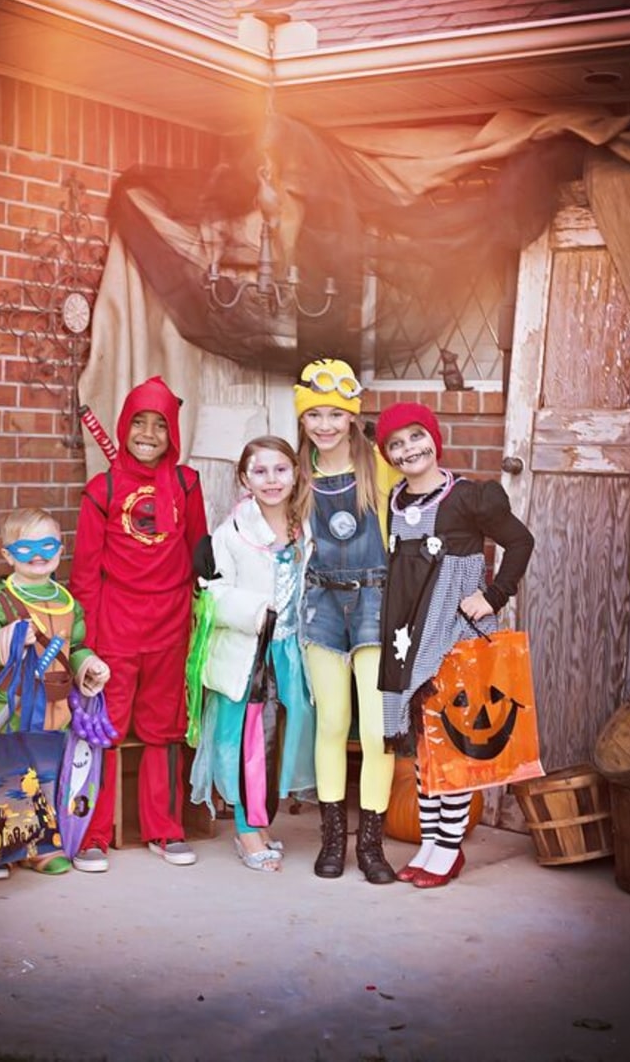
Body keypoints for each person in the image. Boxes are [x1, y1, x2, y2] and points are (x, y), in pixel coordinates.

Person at [375, 401, 534, 888]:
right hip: (408, 633)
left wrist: (493, 596)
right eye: (396, 444)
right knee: (424, 745)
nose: (409, 449)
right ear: (387, 455)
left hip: (453, 633)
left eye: (416, 436)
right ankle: (428, 840)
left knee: (456, 739)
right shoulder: (396, 501)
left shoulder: (469, 497)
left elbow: (521, 542)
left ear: (434, 439)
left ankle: (448, 848)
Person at [69, 376, 208, 870]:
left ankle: (165, 829)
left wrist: (197, 623)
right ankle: (91, 833)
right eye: (139, 422)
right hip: (116, 627)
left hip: (170, 625)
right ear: (124, 426)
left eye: (160, 424)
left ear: (173, 431)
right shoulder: (101, 489)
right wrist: (83, 647)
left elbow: (198, 558)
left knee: (163, 730)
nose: (149, 432)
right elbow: (85, 573)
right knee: (101, 728)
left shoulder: (187, 484)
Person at [293, 358, 401, 883]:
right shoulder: (296, 473)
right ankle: (333, 839)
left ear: (353, 418)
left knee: (379, 731)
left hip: (376, 601)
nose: (326, 425)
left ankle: (372, 846)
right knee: (332, 722)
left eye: (337, 414)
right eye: (316, 415)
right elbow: (266, 527)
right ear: (303, 420)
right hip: (321, 605)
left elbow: (423, 502)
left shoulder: (379, 465)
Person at [189, 436, 316, 872]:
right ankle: (246, 830)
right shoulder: (233, 532)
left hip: (289, 650)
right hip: (251, 653)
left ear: (296, 472)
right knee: (246, 743)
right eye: (260, 471)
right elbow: (213, 593)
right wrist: (256, 612)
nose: (271, 480)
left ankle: (261, 822)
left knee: (276, 740)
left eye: (281, 469)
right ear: (245, 478)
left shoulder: (304, 525)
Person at [0, 507, 110, 879]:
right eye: (26, 547)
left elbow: (75, 646)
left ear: (61, 550)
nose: (39, 555)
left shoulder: (67, 601)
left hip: (56, 706)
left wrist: (88, 665)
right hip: (12, 705)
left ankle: (42, 847)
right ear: (8, 554)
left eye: (47, 545)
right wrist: (6, 639)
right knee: (7, 773)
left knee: (48, 773)